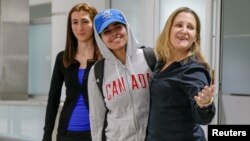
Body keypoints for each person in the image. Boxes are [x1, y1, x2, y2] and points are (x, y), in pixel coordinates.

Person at [87, 9, 214, 141]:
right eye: (107, 31)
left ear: (127, 28)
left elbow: (199, 110)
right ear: (100, 38)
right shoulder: (97, 72)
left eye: (118, 27)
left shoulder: (151, 57)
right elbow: (97, 119)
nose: (114, 33)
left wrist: (205, 105)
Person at [146, 7, 215, 141]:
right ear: (168, 30)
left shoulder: (194, 70)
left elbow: (202, 117)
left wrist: (204, 105)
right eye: (179, 25)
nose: (184, 31)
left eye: (190, 27)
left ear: (195, 36)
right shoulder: (161, 62)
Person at [42, 3, 101, 141]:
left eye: (85, 21)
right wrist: (47, 134)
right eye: (75, 22)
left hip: (96, 133)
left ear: (94, 23)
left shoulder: (104, 58)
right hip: (66, 133)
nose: (79, 28)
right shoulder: (62, 58)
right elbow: (53, 99)